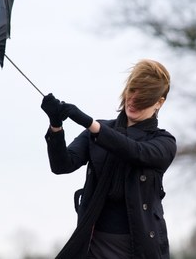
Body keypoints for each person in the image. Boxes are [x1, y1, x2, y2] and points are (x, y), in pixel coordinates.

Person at [41, 59, 176, 259]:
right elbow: (62, 165)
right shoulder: (99, 131)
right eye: (132, 92)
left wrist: (90, 124)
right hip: (93, 243)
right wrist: (55, 126)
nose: (132, 101)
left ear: (159, 102)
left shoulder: (163, 142)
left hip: (138, 248)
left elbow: (135, 151)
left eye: (142, 99)